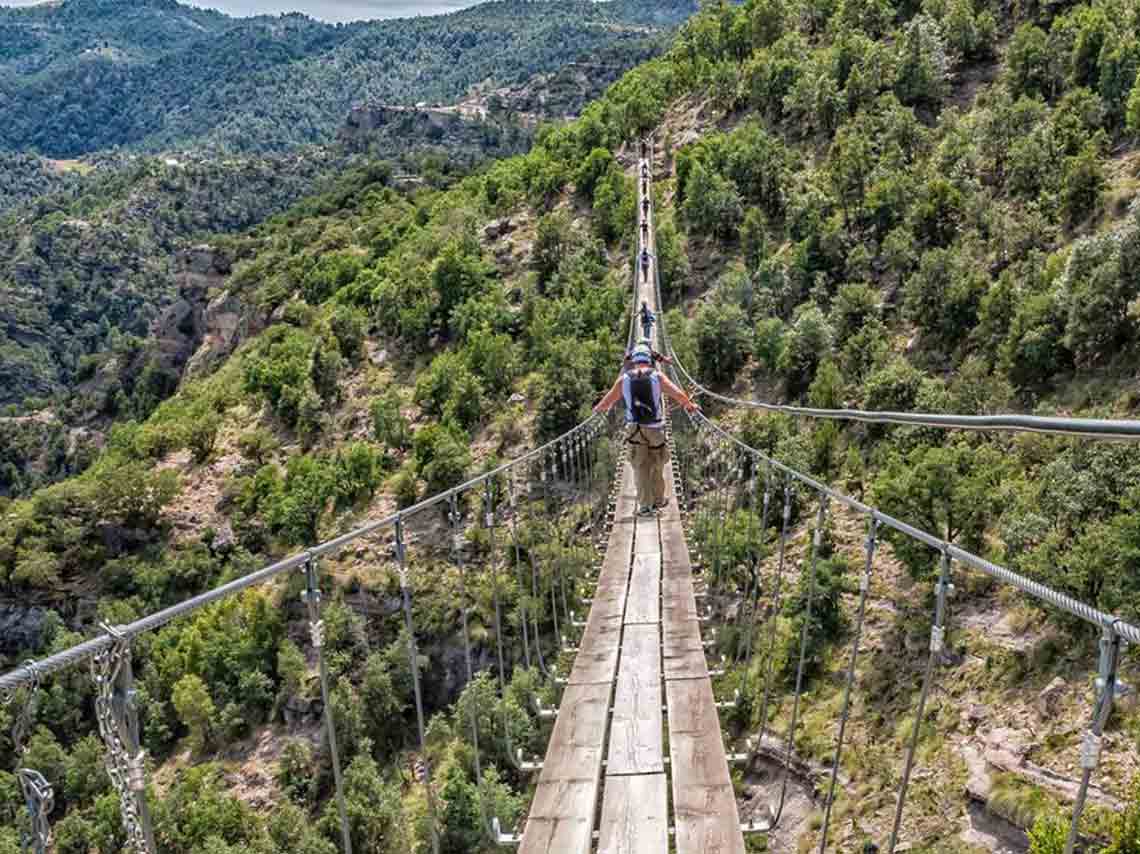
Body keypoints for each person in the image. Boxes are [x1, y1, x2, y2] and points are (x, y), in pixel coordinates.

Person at [594, 341, 699, 515]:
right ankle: (658, 500)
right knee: (657, 465)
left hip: (634, 431)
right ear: (650, 359)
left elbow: (606, 403)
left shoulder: (624, 379)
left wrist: (597, 409)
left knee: (640, 467)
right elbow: (678, 394)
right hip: (655, 429)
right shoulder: (657, 377)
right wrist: (690, 405)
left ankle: (645, 506)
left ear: (634, 360)